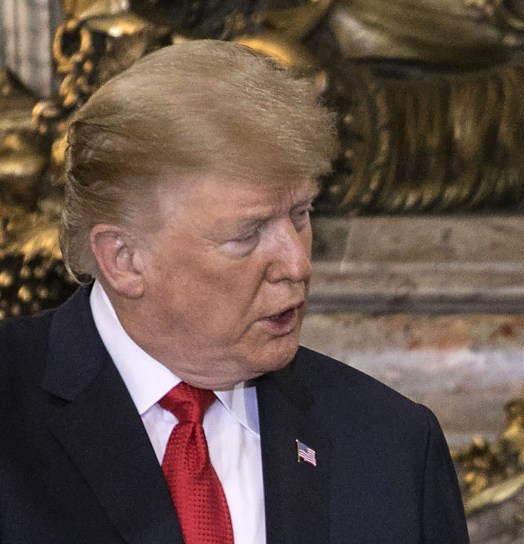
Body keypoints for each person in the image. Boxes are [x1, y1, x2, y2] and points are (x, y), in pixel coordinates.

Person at [0, 39, 469, 543]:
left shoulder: (390, 446)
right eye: (247, 235)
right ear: (124, 259)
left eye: (301, 215)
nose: (298, 263)